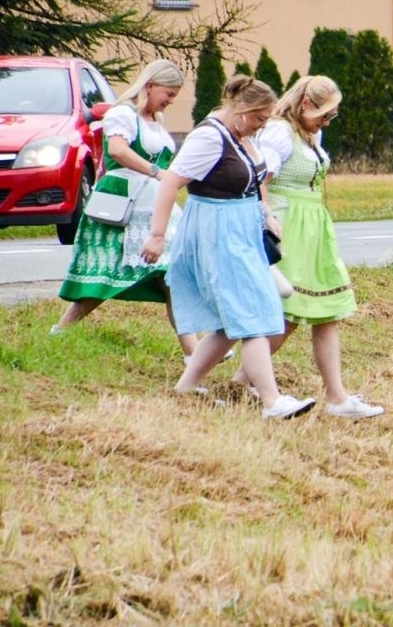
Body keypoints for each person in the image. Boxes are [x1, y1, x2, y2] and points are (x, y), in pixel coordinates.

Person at [140, 75, 314, 419]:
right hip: (218, 234)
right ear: (242, 108)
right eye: (259, 118)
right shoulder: (209, 137)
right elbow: (172, 181)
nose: (261, 126)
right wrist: (157, 235)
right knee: (251, 316)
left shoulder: (240, 135)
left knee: (233, 319)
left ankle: (186, 388)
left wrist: (265, 213)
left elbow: (252, 181)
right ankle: (271, 401)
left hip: (243, 232)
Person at [243, 75, 385, 418]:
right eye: (324, 114)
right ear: (305, 104)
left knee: (327, 312)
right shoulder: (279, 132)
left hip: (313, 227)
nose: (327, 121)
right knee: (288, 314)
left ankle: (337, 397)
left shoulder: (311, 134)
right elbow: (261, 179)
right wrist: (267, 217)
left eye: (332, 115)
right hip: (288, 225)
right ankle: (243, 379)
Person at [54, 58, 196, 354]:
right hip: (124, 204)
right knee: (105, 278)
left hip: (154, 206)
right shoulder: (123, 114)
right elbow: (118, 150)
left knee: (173, 276)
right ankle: (60, 332)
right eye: (168, 94)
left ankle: (194, 353)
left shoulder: (156, 121)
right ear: (151, 85)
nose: (170, 102)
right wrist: (157, 172)